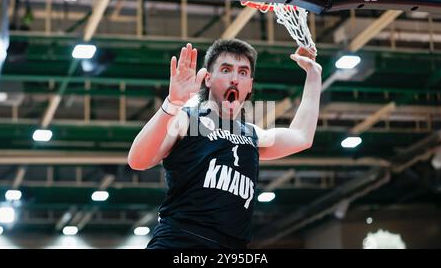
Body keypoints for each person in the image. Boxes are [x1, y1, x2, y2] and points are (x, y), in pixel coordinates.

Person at [128, 39, 322, 249]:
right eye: (226, 69)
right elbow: (138, 160)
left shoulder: (252, 135)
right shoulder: (187, 119)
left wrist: (314, 74)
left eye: (243, 72)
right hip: (180, 242)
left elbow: (301, 136)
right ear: (208, 79)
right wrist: (172, 103)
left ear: (249, 85)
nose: (235, 79)